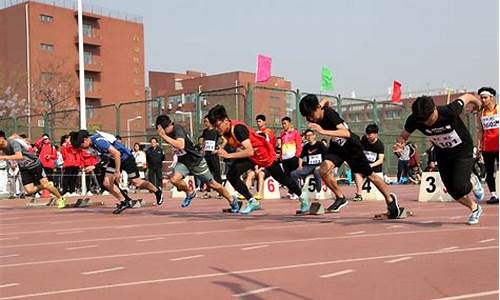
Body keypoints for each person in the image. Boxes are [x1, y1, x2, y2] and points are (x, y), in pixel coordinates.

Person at [299, 94, 400, 218]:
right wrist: (322, 102)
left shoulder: (330, 116)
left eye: (311, 115)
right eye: (308, 117)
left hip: (351, 146)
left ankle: (390, 201)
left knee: (371, 176)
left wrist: (322, 131)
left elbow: (345, 133)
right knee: (323, 170)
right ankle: (340, 197)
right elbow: (326, 100)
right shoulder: (316, 111)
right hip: (337, 147)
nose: (311, 119)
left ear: (317, 109)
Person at [393, 94, 484, 225]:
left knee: (460, 187)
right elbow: (403, 136)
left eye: (429, 119)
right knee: (452, 190)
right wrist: (400, 144)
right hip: (443, 153)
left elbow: (467, 97)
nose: (427, 123)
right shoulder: (414, 119)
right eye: (423, 121)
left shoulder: (450, 110)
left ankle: (472, 179)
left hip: (462, 150)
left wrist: (478, 105)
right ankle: (475, 208)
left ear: (434, 109)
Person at [207, 105, 309, 215]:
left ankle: (303, 197)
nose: (217, 129)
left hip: (263, 154)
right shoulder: (225, 132)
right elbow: (245, 149)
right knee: (231, 175)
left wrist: (229, 155)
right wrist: (219, 150)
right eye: (215, 127)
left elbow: (249, 151)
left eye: (218, 126)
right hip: (252, 156)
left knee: (282, 179)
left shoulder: (238, 129)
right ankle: (252, 201)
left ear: (226, 120)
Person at [155, 115, 239, 211]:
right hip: (183, 162)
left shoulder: (177, 129)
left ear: (169, 125)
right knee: (174, 180)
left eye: (163, 130)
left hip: (196, 161)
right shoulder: (166, 133)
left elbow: (181, 145)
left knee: (212, 184)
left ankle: (232, 200)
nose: (162, 132)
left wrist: (164, 136)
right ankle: (190, 192)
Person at [72, 130, 163, 208]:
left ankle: (157, 191)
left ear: (85, 140)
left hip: (126, 158)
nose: (82, 149)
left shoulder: (99, 142)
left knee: (137, 182)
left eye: (81, 146)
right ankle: (124, 201)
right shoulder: (91, 145)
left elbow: (117, 153)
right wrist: (95, 166)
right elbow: (103, 157)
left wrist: (117, 171)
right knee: (107, 183)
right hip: (113, 160)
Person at [0, 131, 66, 208]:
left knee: (45, 184)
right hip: (24, 168)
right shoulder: (3, 147)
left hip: (35, 164)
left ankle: (61, 198)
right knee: (29, 190)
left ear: (1, 138)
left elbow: (19, 156)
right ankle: (45, 185)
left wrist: (4, 157)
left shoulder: (13, 143)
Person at [290, 129, 328, 200]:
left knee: (317, 172)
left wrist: (321, 165)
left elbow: (326, 156)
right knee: (293, 173)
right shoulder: (306, 146)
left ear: (314, 136)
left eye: (310, 135)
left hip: (319, 165)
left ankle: (318, 192)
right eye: (307, 136)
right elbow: (301, 157)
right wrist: (300, 166)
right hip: (309, 166)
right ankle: (297, 192)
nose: (309, 137)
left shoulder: (320, 144)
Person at [352, 124, 385, 201]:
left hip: (374, 167)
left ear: (376, 134)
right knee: (357, 172)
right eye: (367, 134)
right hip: (363, 165)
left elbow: (380, 160)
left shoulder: (380, 145)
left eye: (370, 134)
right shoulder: (363, 140)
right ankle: (359, 194)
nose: (368, 136)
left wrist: (371, 165)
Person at [477, 87, 499, 204]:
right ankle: (493, 195)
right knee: (489, 171)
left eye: (485, 97)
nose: (483, 100)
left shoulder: (499, 109)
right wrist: (478, 146)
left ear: (491, 98)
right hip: (487, 147)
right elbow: (480, 131)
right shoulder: (481, 113)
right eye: (481, 98)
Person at [201, 116, 223, 198]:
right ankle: (207, 191)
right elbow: (203, 141)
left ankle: (220, 192)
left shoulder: (216, 131)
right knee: (207, 173)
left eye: (206, 121)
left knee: (217, 172)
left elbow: (224, 140)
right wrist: (203, 149)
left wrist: (218, 149)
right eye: (204, 121)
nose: (205, 123)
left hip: (214, 155)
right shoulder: (205, 131)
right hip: (207, 155)